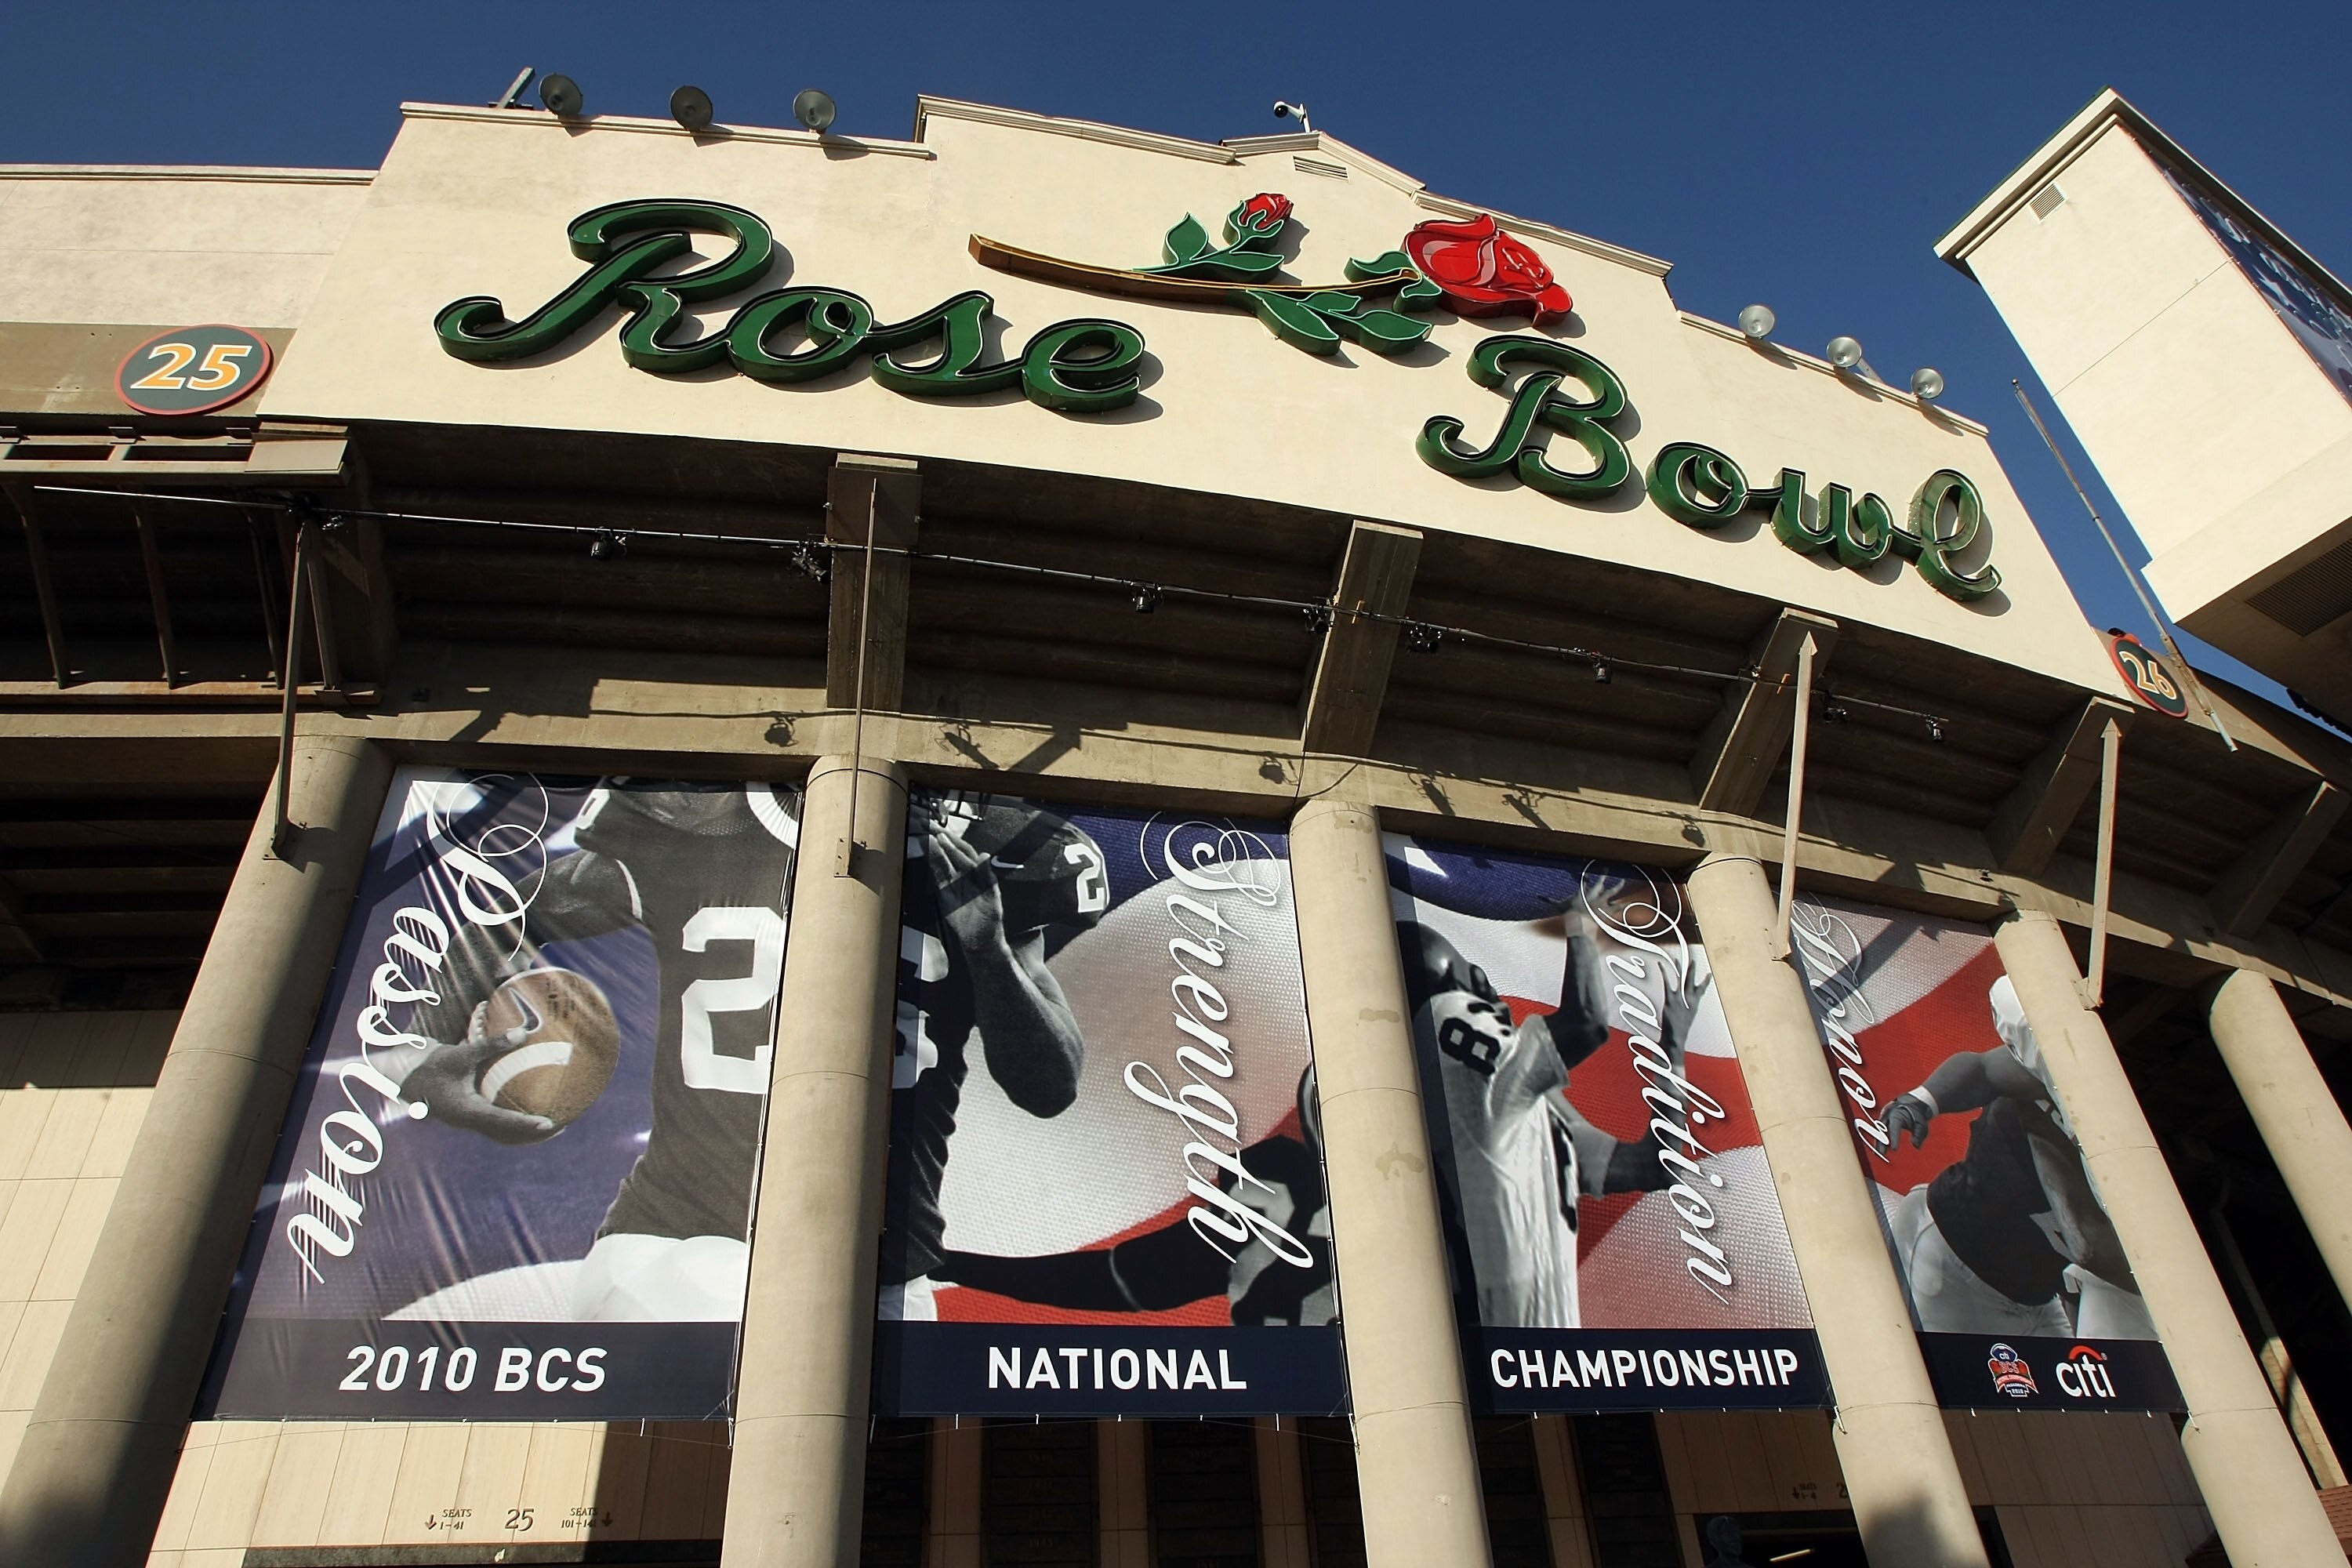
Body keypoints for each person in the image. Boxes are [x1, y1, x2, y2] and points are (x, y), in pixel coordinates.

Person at [390, 778, 803, 1322]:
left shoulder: (709, 825)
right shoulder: (701, 818)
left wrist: (425, 1042)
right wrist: (424, 1041)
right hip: (679, 1235)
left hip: (718, 1244)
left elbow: (521, 907)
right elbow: (530, 906)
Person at [876, 792, 1106, 1319]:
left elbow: (1052, 1086)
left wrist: (987, 945)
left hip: (891, 1248)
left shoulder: (984, 853)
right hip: (702, 1207)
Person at [1403, 895, 1682, 1330]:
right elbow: (1586, 1024)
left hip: (1549, 1354)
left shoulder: (1525, 1116)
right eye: (1473, 979)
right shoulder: (1445, 1021)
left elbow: (1654, 1166)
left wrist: (1673, 1052)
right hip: (1493, 1344)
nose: (1492, 993)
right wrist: (1579, 926)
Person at [927, 1066, 1337, 1325]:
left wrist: (953, 1267)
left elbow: (1120, 1280)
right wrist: (955, 1267)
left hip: (1297, 1385)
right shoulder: (1277, 1187)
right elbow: (1127, 1278)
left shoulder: (1275, 1186)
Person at [1880, 975, 2156, 1339]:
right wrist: (1920, 1100)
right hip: (1949, 1251)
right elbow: (1983, 1070)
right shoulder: (2049, 1081)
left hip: (2034, 1291)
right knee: (1950, 1381)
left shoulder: (2123, 1130)